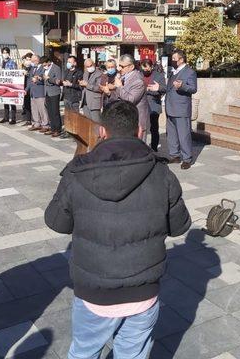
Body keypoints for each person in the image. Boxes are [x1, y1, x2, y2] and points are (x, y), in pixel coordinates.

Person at [44, 100, 191, 359]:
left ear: (102, 131)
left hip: (94, 292)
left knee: (84, 353)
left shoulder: (77, 171)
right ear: (139, 131)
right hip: (143, 291)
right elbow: (179, 226)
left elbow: (56, 222)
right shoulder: (162, 172)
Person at [165, 50, 198, 169]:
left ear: (181, 59)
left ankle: (187, 158)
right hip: (170, 107)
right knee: (172, 134)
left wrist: (182, 86)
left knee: (184, 135)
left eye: (174, 58)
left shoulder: (189, 72)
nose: (172, 60)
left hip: (181, 108)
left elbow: (193, 88)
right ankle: (174, 155)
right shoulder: (173, 72)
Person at [114, 54, 149, 140]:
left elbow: (130, 100)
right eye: (119, 66)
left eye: (122, 66)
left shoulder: (138, 80)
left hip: (136, 121)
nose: (119, 69)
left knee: (138, 149)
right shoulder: (123, 77)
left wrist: (119, 86)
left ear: (131, 67)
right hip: (126, 118)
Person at [142, 59, 167, 152]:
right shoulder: (139, 75)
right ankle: (141, 147)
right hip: (141, 104)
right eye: (144, 67)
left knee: (154, 128)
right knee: (142, 127)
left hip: (154, 104)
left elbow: (164, 89)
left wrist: (156, 88)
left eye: (147, 67)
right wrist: (147, 89)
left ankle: (154, 148)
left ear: (151, 67)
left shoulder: (159, 75)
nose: (145, 70)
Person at [28, 55, 49, 132]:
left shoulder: (43, 68)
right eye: (32, 61)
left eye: (34, 61)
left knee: (42, 109)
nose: (32, 62)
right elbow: (30, 80)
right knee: (34, 109)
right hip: (33, 92)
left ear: (38, 60)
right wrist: (26, 90)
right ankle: (36, 123)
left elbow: (44, 80)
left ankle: (45, 124)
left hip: (40, 92)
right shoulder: (32, 68)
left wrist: (38, 80)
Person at [43, 57, 63, 137]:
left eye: (45, 64)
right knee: (50, 111)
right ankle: (52, 128)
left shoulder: (56, 68)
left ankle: (58, 129)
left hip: (54, 92)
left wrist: (49, 78)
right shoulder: (45, 69)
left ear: (49, 62)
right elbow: (43, 77)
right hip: (47, 92)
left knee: (55, 111)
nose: (44, 66)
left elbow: (58, 81)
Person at [79, 58, 103, 123]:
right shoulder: (86, 73)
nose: (89, 67)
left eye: (91, 65)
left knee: (96, 123)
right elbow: (84, 85)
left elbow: (100, 88)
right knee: (88, 123)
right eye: (87, 66)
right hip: (85, 101)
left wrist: (87, 85)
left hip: (94, 102)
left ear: (94, 64)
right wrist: (81, 84)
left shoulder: (99, 73)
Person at [0, 47, 17, 124]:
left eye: (6, 52)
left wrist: (6, 71)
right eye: (3, 53)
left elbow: (15, 73)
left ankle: (13, 118)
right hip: (4, 84)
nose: (5, 54)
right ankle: (6, 117)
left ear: (9, 53)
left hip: (11, 85)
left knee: (12, 102)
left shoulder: (12, 62)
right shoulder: (2, 62)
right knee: (5, 101)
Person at [21, 53, 34, 126]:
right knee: (26, 105)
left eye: (29, 59)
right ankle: (28, 120)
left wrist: (27, 74)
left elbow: (31, 78)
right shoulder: (23, 67)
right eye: (27, 59)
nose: (28, 61)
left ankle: (35, 120)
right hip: (24, 89)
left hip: (30, 89)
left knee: (33, 105)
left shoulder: (33, 68)